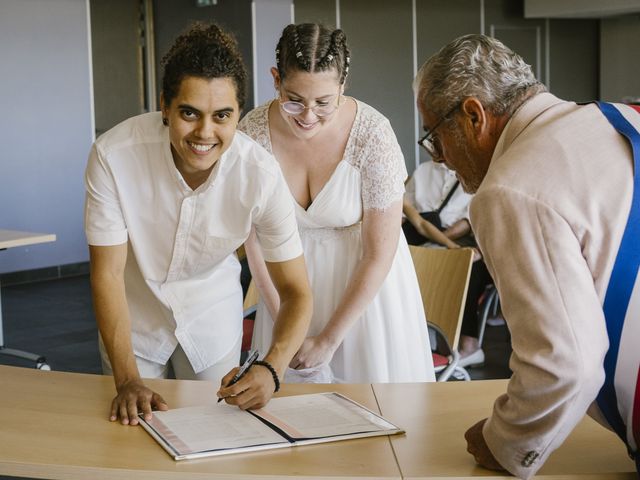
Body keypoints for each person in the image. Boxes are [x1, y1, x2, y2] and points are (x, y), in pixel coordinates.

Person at [414, 34, 640, 478]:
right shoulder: (624, 118)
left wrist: (504, 443)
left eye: (435, 139)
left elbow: (564, 365)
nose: (439, 160)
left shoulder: (511, 188)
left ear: (474, 116)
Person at [84, 22, 312, 426]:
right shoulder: (112, 156)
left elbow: (296, 292)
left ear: (238, 114)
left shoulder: (259, 174)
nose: (205, 133)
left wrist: (272, 370)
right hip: (131, 322)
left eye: (222, 116)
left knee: (217, 437)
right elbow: (108, 275)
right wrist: (127, 379)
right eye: (189, 113)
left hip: (211, 319)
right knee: (129, 445)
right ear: (165, 107)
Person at [239, 23, 434, 384]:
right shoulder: (252, 132)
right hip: (283, 286)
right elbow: (253, 240)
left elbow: (380, 251)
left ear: (343, 87)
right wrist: (286, 324)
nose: (308, 116)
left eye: (324, 103)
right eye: (294, 99)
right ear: (275, 79)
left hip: (364, 296)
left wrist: (328, 339)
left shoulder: (373, 133)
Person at [402, 159, 493, 367]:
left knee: (468, 265)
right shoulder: (424, 170)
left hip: (458, 238)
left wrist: (442, 241)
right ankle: (428, 341)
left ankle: (469, 345)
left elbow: (468, 222)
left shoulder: (475, 171)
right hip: (422, 235)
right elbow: (411, 217)